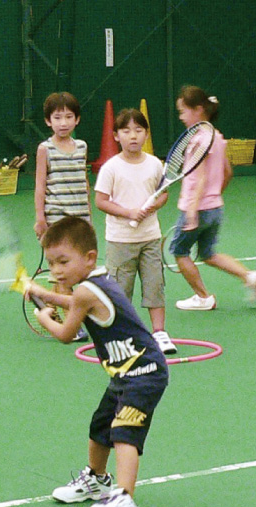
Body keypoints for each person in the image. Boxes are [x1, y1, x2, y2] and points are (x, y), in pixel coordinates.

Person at [25, 216, 169, 507]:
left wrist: (42, 314)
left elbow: (65, 332)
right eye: (52, 263)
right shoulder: (96, 283)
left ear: (90, 257)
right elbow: (75, 302)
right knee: (100, 426)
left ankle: (125, 499)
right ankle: (97, 480)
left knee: (123, 431)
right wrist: (46, 295)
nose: (57, 270)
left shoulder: (85, 293)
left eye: (64, 261)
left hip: (144, 372)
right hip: (123, 373)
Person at [169, 86, 256, 310]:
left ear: (199, 110)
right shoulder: (218, 137)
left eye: (184, 111)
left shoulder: (196, 141)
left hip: (196, 208)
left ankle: (203, 297)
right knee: (208, 254)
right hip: (214, 208)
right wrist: (213, 198)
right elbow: (228, 173)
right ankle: (250, 276)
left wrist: (193, 210)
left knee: (180, 252)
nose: (181, 117)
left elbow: (201, 178)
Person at [94, 109, 177, 355]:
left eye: (139, 130)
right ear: (116, 135)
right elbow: (101, 201)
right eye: (126, 131)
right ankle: (121, 335)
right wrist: (128, 213)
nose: (133, 136)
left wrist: (154, 205)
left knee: (155, 285)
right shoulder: (111, 168)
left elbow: (163, 194)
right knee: (120, 291)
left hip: (150, 238)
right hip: (120, 240)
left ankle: (159, 333)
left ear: (146, 134)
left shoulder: (154, 164)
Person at [33, 92, 91, 341]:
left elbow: (84, 181)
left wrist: (88, 215)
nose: (63, 122)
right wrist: (40, 218)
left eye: (68, 117)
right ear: (48, 121)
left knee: (77, 270)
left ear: (77, 119)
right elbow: (40, 185)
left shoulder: (82, 147)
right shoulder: (44, 149)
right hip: (57, 218)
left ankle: (49, 307)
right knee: (65, 272)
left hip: (81, 219)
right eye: (58, 117)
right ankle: (71, 324)